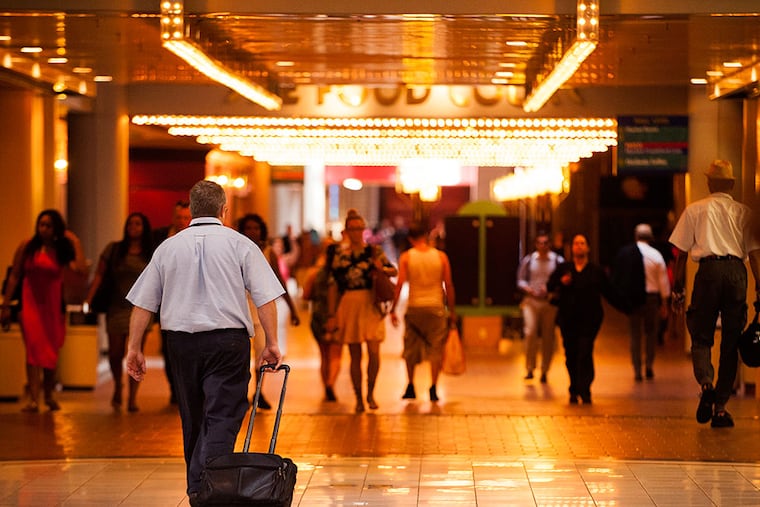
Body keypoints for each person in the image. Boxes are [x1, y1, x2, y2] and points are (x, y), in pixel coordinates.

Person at [125, 180, 284, 503]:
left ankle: (199, 488)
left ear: (192, 210)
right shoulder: (240, 245)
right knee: (223, 414)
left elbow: (143, 302)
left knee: (193, 416)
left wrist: (134, 348)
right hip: (228, 343)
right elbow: (265, 297)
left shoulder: (168, 248)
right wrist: (272, 342)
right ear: (224, 210)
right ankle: (210, 488)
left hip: (181, 344)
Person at [669, 159, 760, 428]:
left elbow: (681, 254)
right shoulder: (744, 213)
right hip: (736, 273)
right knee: (731, 340)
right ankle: (720, 408)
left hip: (708, 273)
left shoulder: (695, 210)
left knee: (701, 335)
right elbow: (754, 255)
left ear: (709, 183)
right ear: (731, 184)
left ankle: (706, 384)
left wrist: (678, 288)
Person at [1, 209, 87, 412]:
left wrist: (75, 242)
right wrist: (5, 305)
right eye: (41, 224)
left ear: (56, 228)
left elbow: (81, 269)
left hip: (52, 307)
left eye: (48, 225)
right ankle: (33, 398)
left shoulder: (61, 250)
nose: (44, 229)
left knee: (50, 351)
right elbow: (14, 275)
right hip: (29, 305)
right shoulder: (27, 246)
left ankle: (48, 395)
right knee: (32, 350)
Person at [326, 209, 397, 413]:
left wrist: (381, 269)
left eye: (359, 228)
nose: (356, 232)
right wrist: (331, 314)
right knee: (354, 354)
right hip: (349, 302)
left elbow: (393, 270)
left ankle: (371, 393)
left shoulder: (374, 251)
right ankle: (358, 397)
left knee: (374, 351)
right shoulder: (340, 254)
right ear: (347, 231)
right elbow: (333, 285)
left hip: (370, 302)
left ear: (364, 230)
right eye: (353, 229)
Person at [84, 212, 154, 412]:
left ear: (144, 227)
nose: (133, 227)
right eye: (130, 223)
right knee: (115, 353)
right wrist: (89, 299)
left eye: (138, 224)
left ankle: (132, 397)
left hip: (140, 309)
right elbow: (99, 275)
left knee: (136, 352)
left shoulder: (150, 252)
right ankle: (117, 385)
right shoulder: (114, 249)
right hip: (116, 306)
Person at [237, 213, 300, 409]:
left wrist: (292, 308)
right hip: (239, 308)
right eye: (248, 228)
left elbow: (278, 280)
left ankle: (258, 392)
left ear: (262, 230)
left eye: (256, 228)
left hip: (261, 309)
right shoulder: (235, 248)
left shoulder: (268, 252)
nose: (252, 231)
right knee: (239, 355)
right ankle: (240, 394)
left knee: (260, 354)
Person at [547, 233, 619, 405]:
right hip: (568, 320)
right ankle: (574, 387)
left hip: (590, 320)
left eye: (582, 243)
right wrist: (561, 282)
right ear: (572, 248)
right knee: (571, 354)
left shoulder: (596, 271)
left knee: (585, 352)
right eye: (576, 243)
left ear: (588, 248)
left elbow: (609, 292)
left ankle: (585, 389)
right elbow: (550, 285)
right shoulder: (564, 268)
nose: (579, 246)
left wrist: (626, 306)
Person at [389, 223, 456, 402]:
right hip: (436, 308)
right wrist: (452, 310)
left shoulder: (407, 257)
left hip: (414, 307)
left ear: (410, 239)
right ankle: (433, 388)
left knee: (410, 349)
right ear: (426, 236)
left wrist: (393, 309)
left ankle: (411, 386)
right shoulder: (441, 257)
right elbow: (448, 284)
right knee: (435, 349)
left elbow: (400, 284)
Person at [612, 223, 670, 381]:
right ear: (650, 237)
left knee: (635, 334)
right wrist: (664, 303)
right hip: (652, 299)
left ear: (635, 236)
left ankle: (637, 369)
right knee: (651, 333)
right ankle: (649, 365)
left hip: (633, 299)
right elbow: (663, 282)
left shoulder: (626, 253)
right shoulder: (656, 255)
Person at [152, 200, 191, 405]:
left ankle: (186, 388)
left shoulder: (196, 239)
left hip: (190, 302)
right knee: (169, 348)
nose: (183, 221)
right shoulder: (159, 238)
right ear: (173, 218)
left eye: (186, 217)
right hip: (166, 303)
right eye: (179, 217)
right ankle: (175, 389)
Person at [516, 231, 563, 383]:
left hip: (549, 302)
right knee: (530, 332)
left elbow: (563, 280)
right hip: (531, 301)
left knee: (548, 336)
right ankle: (530, 367)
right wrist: (528, 288)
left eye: (545, 243)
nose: (542, 246)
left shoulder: (557, 261)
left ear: (549, 244)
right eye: (540, 243)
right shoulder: (529, 260)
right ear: (536, 244)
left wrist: (551, 290)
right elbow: (520, 279)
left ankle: (545, 370)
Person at [302, 240, 342, 401]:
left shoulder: (315, 274)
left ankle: (326, 385)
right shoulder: (342, 277)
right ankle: (331, 384)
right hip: (338, 316)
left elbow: (306, 295)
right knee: (336, 355)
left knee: (324, 355)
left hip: (318, 317)